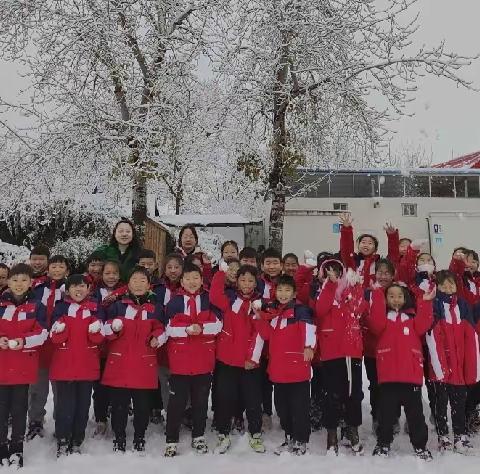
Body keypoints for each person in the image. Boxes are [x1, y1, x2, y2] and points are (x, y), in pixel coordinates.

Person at [102, 266, 166, 453]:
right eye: (134, 280)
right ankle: (119, 436)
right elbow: (104, 329)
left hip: (143, 363)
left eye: (142, 281)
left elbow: (161, 328)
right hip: (120, 362)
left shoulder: (155, 307)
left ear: (149, 285)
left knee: (142, 405)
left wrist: (157, 338)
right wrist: (112, 328)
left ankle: (139, 436)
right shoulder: (118, 305)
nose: (138, 284)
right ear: (128, 284)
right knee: (119, 405)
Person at [368, 284, 435, 460]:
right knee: (386, 413)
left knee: (415, 415)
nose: (395, 299)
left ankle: (420, 445)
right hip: (388, 376)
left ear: (405, 298)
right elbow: (374, 324)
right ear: (386, 299)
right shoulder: (383, 319)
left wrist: (425, 302)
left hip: (410, 376)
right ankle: (383, 443)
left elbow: (424, 324)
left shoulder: (412, 319)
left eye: (399, 296)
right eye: (391, 296)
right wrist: (376, 295)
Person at [163, 262, 222, 457]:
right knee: (176, 402)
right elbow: (168, 329)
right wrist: (187, 330)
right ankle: (171, 439)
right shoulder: (174, 302)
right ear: (181, 281)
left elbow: (218, 325)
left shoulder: (209, 299)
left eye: (195, 278)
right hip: (180, 362)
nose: (192, 282)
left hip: (203, 361)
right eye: (187, 278)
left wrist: (202, 329)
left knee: (200, 402)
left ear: (202, 280)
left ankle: (199, 435)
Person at [255, 275, 316, 455]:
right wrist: (258, 317)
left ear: (294, 293)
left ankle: (301, 439)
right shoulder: (273, 313)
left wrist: (309, 347)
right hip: (278, 369)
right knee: (282, 407)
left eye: (287, 290)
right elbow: (266, 335)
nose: (283, 294)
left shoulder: (301, 311)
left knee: (300, 408)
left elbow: (309, 330)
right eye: (280, 290)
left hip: (298, 368)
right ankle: (289, 435)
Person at [210, 263, 265, 453]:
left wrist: (253, 358)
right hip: (227, 359)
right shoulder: (230, 300)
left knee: (252, 399)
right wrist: (221, 273)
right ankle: (223, 432)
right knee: (225, 397)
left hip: (250, 362)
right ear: (237, 281)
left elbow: (261, 335)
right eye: (243, 280)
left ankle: (255, 433)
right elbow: (214, 295)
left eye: (251, 280)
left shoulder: (259, 304)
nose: (247, 284)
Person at [49, 274, 104, 457]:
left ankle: (77, 440)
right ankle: (63, 440)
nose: (78, 290)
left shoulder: (96, 308)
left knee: (82, 405)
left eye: (82, 286)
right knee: (65, 406)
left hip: (87, 365)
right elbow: (55, 338)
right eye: (74, 286)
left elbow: (100, 337)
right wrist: (59, 328)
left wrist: (96, 329)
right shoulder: (61, 308)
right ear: (67, 290)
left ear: (88, 289)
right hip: (65, 366)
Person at [315, 259, 366, 455]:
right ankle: (331, 433)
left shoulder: (351, 290)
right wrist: (331, 284)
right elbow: (320, 310)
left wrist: (358, 287)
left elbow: (360, 309)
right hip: (331, 352)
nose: (333, 273)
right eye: (328, 270)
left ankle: (352, 430)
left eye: (336, 270)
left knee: (353, 394)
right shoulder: (323, 291)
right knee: (332, 395)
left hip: (352, 351)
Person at [425, 270, 479, 454]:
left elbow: (471, 337)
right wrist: (439, 368)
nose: (448, 288)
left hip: (459, 367)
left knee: (459, 404)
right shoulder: (434, 305)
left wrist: (471, 367)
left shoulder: (463, 305)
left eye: (451, 284)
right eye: (443, 285)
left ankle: (460, 435)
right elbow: (431, 337)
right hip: (440, 367)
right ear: (437, 287)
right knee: (440, 404)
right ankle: (443, 436)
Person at [0, 263, 47, 467]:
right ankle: (1, 446)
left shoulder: (37, 306)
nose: (19, 284)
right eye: (15, 280)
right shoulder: (1, 305)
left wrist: (24, 341)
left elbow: (43, 333)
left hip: (22, 367)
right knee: (1, 410)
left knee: (19, 409)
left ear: (31, 283)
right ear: (8, 282)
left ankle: (17, 448)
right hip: (2, 366)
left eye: (24, 280)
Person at [27, 255, 70, 440]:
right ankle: (36, 421)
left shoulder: (72, 288)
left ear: (67, 270)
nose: (57, 270)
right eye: (54, 266)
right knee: (38, 387)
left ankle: (60, 420)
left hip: (62, 346)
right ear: (48, 268)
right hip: (40, 345)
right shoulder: (36, 288)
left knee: (61, 388)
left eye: (61, 267)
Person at [362, 259, 396, 432]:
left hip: (393, 349)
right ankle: (377, 416)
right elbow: (362, 313)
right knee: (375, 384)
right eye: (380, 272)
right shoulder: (368, 292)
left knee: (391, 385)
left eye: (387, 272)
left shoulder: (396, 292)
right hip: (371, 349)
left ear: (393, 275)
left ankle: (393, 417)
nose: (383, 276)